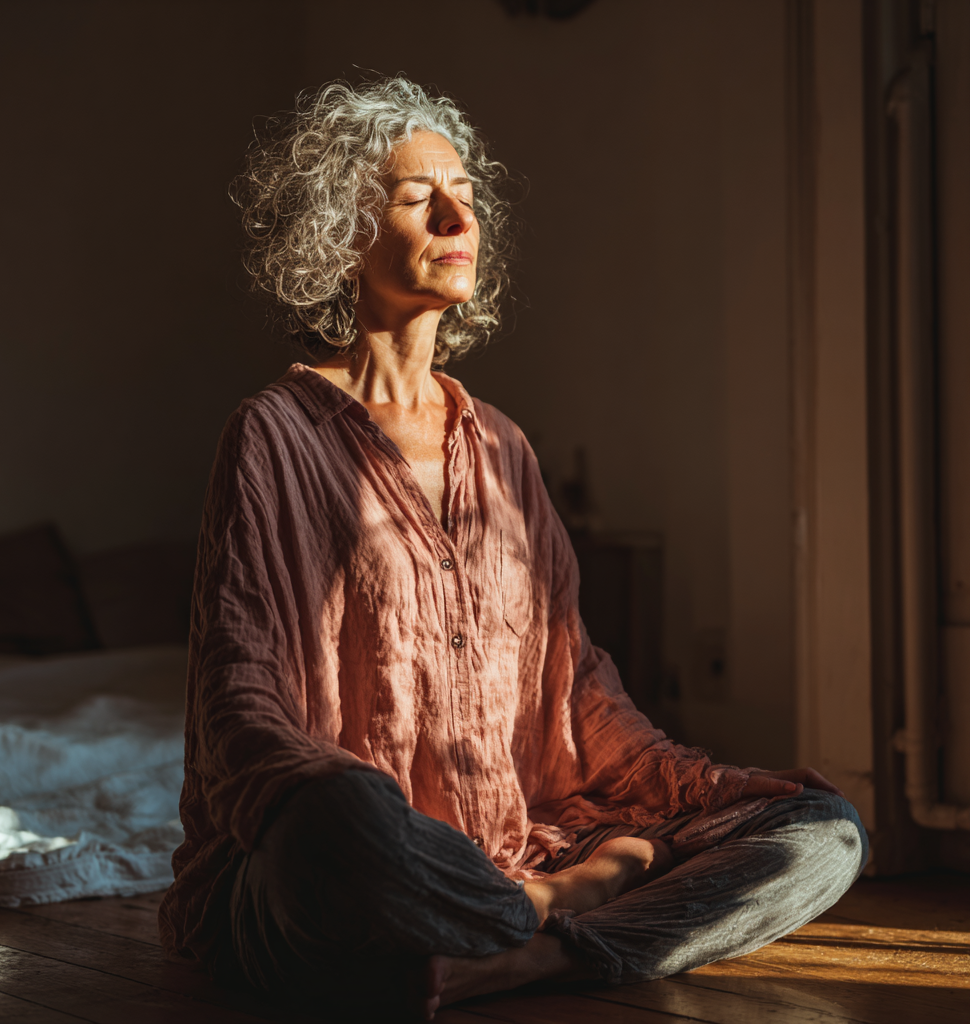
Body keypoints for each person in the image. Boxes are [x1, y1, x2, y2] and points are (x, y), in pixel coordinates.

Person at [158, 77, 867, 1021]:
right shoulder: (272, 434)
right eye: (418, 199)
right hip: (331, 873)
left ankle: (518, 960)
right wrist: (572, 874)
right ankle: (538, 916)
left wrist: (717, 792)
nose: (458, 214)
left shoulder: (501, 444)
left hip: (517, 839)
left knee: (823, 832)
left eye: (465, 193)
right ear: (341, 238)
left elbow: (577, 692)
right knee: (341, 818)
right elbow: (237, 707)